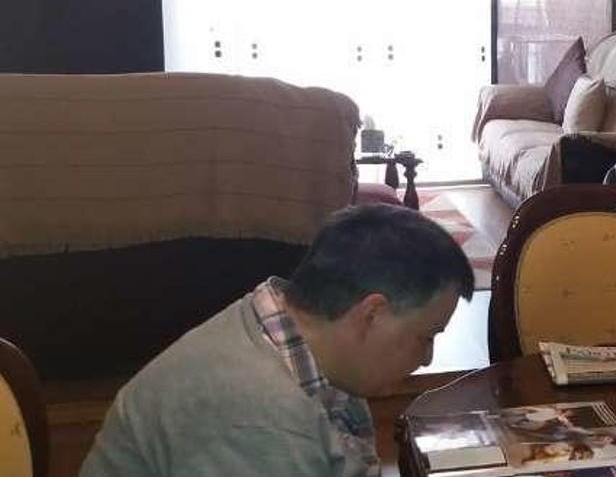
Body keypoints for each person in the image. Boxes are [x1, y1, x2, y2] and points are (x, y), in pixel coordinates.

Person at [81, 204, 474, 476]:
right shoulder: (257, 421)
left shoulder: (292, 337)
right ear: (371, 314)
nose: (427, 359)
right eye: (427, 336)